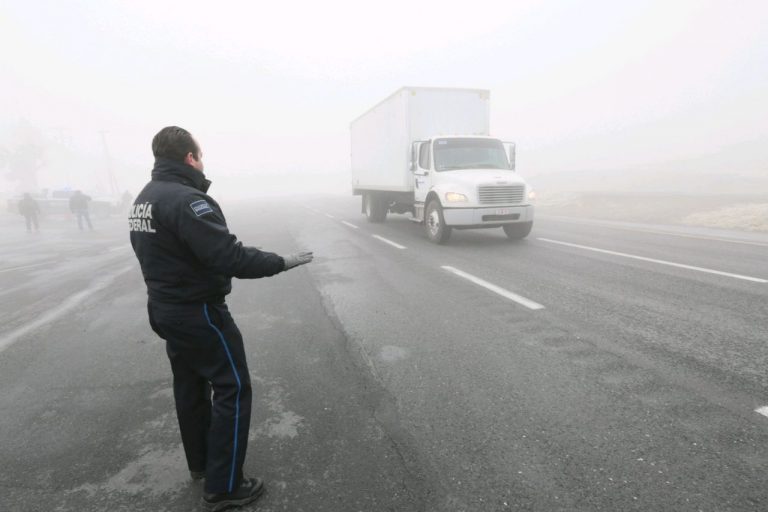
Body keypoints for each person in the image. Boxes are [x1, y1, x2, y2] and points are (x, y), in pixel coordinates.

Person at [129, 126, 313, 511]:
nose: (202, 161)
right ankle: (225, 486)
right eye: (201, 154)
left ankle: (201, 465)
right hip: (199, 312)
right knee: (232, 386)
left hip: (165, 309)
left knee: (190, 386)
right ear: (190, 158)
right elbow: (228, 256)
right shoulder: (189, 201)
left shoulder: (144, 199)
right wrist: (280, 262)